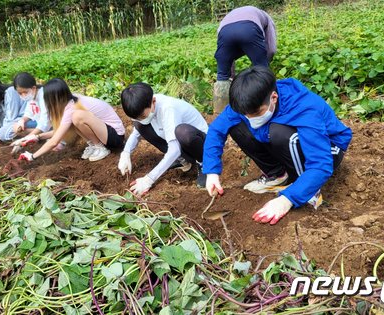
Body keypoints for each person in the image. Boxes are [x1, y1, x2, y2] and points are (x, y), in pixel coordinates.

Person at [203, 66, 352, 225]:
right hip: (288, 141)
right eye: (246, 114)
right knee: (235, 125)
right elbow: (216, 130)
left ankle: (307, 189)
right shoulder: (248, 101)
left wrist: (287, 200)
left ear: (274, 97)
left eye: (257, 113)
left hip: (328, 149)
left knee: (278, 132)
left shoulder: (305, 108)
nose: (251, 119)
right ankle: (278, 175)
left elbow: (321, 164)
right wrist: (211, 171)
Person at [117, 82, 209, 196]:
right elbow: (137, 133)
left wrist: (149, 179)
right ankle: (183, 161)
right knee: (140, 126)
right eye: (136, 118)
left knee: (183, 132)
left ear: (153, 102)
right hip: (181, 145)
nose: (141, 119)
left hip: (203, 145)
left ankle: (204, 164)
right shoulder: (146, 107)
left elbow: (175, 149)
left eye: (143, 117)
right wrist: (125, 153)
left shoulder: (168, 108)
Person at [17, 78, 125, 162]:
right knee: (73, 121)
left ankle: (99, 147)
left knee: (77, 117)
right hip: (105, 133)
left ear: (55, 98)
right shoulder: (69, 103)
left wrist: (33, 156)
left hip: (115, 136)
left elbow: (54, 142)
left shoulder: (72, 108)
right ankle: (93, 145)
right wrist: (37, 136)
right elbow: (61, 131)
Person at [213, 6, 277, 114]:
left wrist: (231, 76)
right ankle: (265, 107)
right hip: (249, 29)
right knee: (262, 70)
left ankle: (222, 112)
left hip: (224, 32)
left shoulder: (229, 17)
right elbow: (270, 48)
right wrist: (263, 64)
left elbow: (228, 56)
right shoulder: (266, 17)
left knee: (222, 77)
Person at [9, 72, 51, 149]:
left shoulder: (43, 96)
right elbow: (28, 114)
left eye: (25, 92)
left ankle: (43, 136)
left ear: (33, 88)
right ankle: (38, 136)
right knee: (17, 128)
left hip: (51, 124)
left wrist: (25, 139)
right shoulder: (31, 96)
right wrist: (22, 121)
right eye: (20, 93)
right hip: (39, 123)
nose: (23, 95)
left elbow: (44, 123)